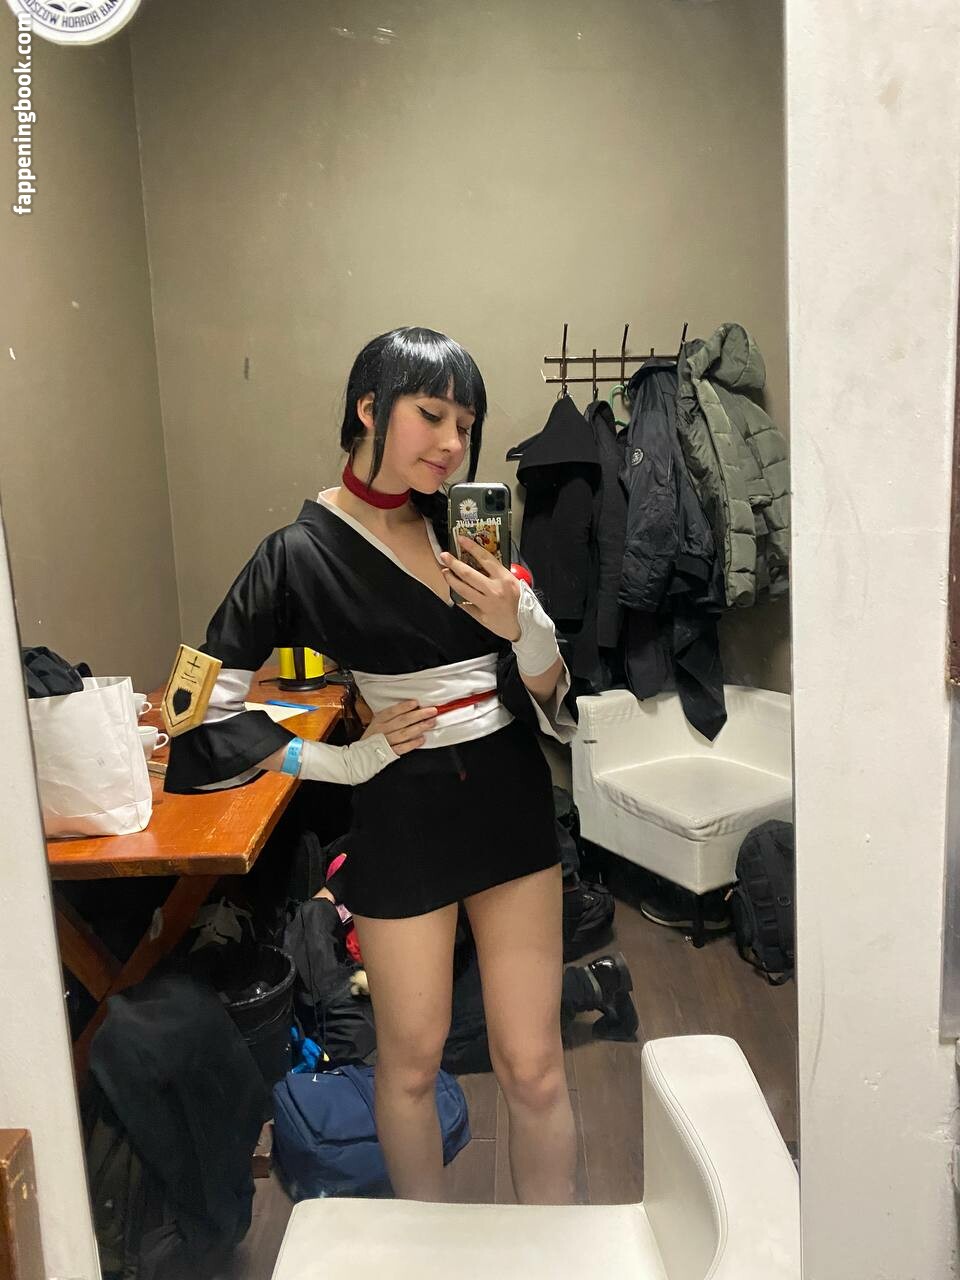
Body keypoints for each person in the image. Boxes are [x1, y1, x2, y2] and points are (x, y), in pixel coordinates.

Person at [166, 326, 581, 1204]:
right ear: (369, 408)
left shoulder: (466, 531)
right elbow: (196, 707)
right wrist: (338, 762)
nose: (452, 443)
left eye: (466, 424)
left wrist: (527, 628)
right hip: (402, 816)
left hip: (510, 803)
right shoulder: (297, 554)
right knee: (409, 1066)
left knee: (536, 1066)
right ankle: (423, 1256)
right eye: (432, 415)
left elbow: (552, 695)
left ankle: (557, 1256)